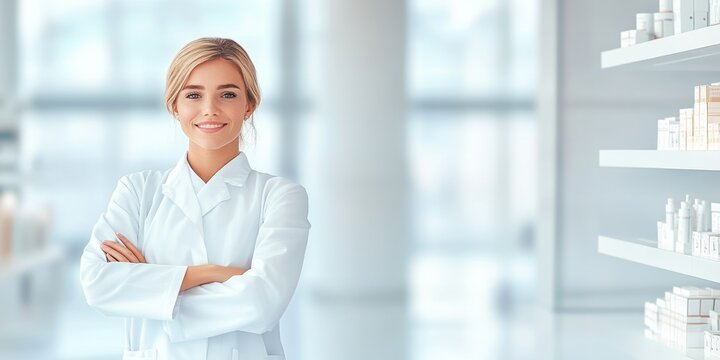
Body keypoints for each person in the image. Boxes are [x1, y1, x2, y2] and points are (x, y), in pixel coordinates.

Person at [79, 37, 310, 360]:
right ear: (175, 105)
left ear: (249, 105)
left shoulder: (280, 197)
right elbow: (98, 284)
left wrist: (153, 288)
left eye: (228, 94)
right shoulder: (138, 191)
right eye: (193, 95)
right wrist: (214, 273)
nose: (210, 109)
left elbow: (262, 304)